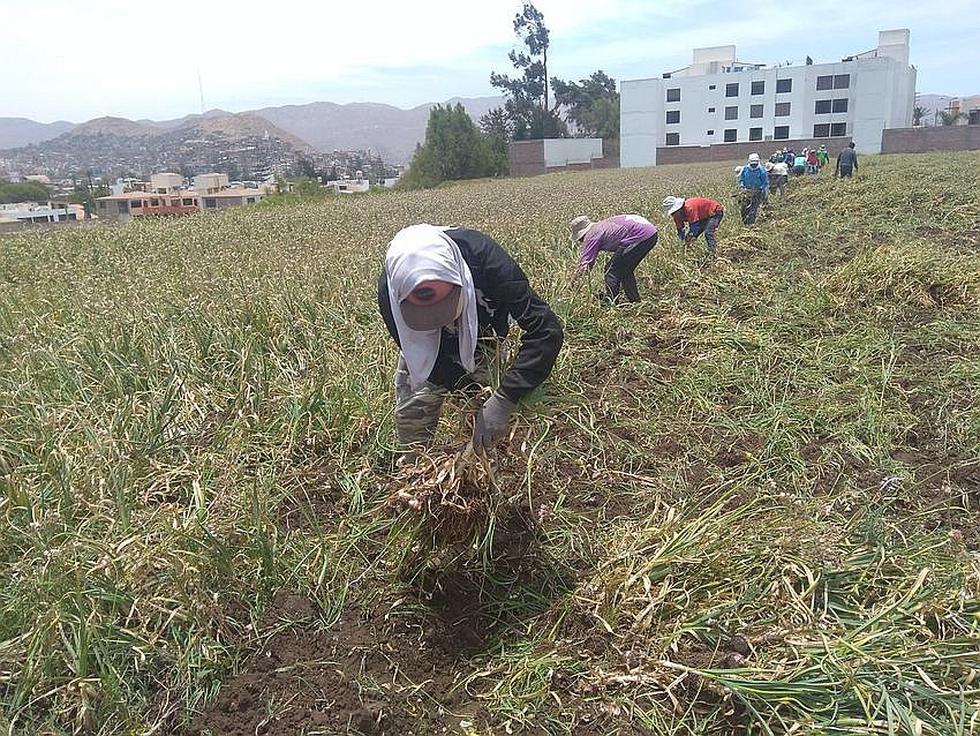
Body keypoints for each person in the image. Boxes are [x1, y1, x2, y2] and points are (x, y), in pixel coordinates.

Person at [378, 224, 563, 455]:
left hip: (481, 334)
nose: (439, 319)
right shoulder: (391, 290)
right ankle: (416, 472)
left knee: (487, 423)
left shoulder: (485, 260)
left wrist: (505, 397)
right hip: (423, 343)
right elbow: (431, 364)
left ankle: (484, 468)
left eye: (444, 305)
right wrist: (463, 387)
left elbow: (546, 330)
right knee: (414, 411)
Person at [570, 214, 658, 303]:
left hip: (640, 236)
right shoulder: (599, 226)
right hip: (651, 233)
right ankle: (635, 301)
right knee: (625, 270)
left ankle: (612, 303)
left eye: (579, 239)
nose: (581, 242)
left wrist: (574, 284)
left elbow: (586, 264)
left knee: (611, 270)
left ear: (582, 235)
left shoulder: (591, 235)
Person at [738, 153, 769, 225]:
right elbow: (741, 179)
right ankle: (745, 222)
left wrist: (760, 188)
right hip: (746, 191)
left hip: (757, 192)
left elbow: (765, 182)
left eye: (755, 164)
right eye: (752, 164)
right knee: (744, 209)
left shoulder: (762, 170)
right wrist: (742, 186)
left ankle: (751, 224)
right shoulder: (745, 169)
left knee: (753, 209)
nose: (754, 165)